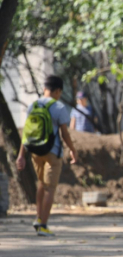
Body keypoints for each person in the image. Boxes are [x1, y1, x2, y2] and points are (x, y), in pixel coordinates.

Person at [16, 75, 78, 237]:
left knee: (41, 185)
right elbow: (64, 133)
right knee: (50, 188)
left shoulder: (33, 105)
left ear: (44, 89)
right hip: (52, 152)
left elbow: (26, 133)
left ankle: (38, 217)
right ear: (58, 91)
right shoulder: (58, 107)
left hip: (35, 152)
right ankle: (43, 224)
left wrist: (21, 155)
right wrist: (72, 149)